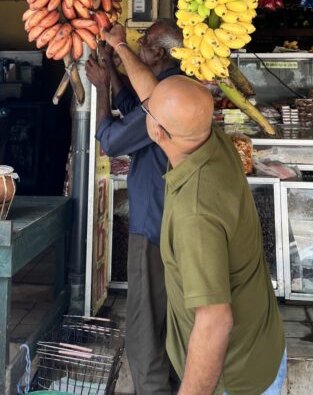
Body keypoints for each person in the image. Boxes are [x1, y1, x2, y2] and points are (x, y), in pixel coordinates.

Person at [103, 23, 286, 395]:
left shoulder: (194, 212)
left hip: (234, 382)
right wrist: (119, 46)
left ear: (154, 134)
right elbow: (153, 95)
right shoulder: (212, 140)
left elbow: (215, 322)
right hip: (262, 352)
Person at [85, 20, 183, 395]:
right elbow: (133, 103)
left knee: (145, 323)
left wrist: (101, 90)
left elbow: (110, 141)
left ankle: (154, 389)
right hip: (170, 221)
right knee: (168, 316)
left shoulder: (166, 99)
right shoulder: (171, 87)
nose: (139, 46)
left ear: (158, 53)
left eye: (143, 43)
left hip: (155, 224)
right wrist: (111, 69)